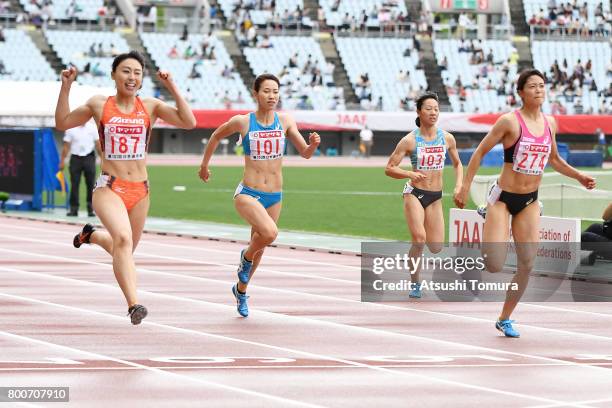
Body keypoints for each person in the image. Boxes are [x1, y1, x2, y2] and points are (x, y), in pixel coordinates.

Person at [54, 51, 196, 325]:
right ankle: (134, 305)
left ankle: (92, 236)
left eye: (137, 73)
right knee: (122, 240)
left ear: (142, 79)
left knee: (125, 250)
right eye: (126, 71)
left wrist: (172, 87)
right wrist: (66, 87)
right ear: (114, 75)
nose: (132, 77)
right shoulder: (99, 104)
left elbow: (189, 122)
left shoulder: (151, 106)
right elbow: (63, 123)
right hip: (109, 187)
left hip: (141, 190)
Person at [456, 69, 595, 338]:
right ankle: (488, 213)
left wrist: (579, 176)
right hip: (503, 199)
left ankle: (505, 317)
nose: (539, 90)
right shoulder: (509, 122)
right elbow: (480, 152)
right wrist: (463, 186)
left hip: (530, 200)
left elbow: (554, 159)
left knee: (527, 264)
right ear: (520, 92)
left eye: (542, 86)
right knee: (494, 264)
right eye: (532, 86)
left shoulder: (550, 123)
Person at [198, 73, 320, 318]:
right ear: (255, 94)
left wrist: (313, 145)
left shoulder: (285, 121)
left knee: (261, 245)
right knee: (270, 234)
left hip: (275, 195)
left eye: (275, 91)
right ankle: (245, 257)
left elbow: (305, 153)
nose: (272, 96)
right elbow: (215, 136)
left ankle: (241, 291)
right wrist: (204, 166)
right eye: (266, 91)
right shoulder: (243, 122)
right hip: (248, 193)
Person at [385, 93, 463, 298]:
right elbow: (390, 168)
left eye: (436, 109)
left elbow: (457, 164)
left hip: (435, 196)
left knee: (436, 247)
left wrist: (459, 186)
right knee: (419, 239)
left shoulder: (447, 138)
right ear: (419, 112)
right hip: (414, 193)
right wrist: (409, 173)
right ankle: (415, 283)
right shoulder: (409, 140)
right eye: (428, 108)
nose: (433, 112)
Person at [59, 120, 101, 217]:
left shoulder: (92, 127)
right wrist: (62, 160)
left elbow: (98, 144)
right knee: (74, 184)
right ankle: (74, 209)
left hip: (89, 157)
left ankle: (91, 208)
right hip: (75, 157)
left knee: (91, 184)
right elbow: (66, 146)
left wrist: (102, 159)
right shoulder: (70, 129)